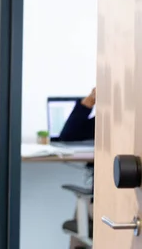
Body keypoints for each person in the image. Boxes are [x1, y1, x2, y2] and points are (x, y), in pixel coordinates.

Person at [58, 87, 95, 249]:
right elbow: (68, 135)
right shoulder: (109, 124)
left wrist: (89, 100)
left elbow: (67, 135)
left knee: (82, 213)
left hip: (107, 202)